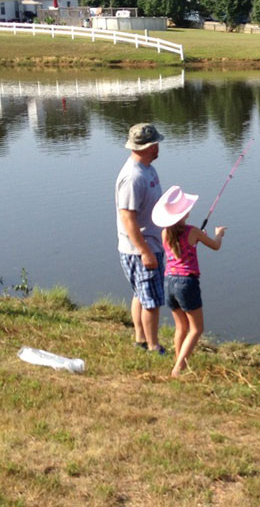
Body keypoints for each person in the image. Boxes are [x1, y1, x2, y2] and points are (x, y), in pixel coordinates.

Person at [152, 185, 225, 377]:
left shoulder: (164, 233)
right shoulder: (194, 231)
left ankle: (178, 360)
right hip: (187, 283)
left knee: (181, 326)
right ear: (185, 213)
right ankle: (178, 369)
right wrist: (219, 234)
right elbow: (216, 246)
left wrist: (196, 239)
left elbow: (181, 246)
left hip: (168, 282)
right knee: (196, 328)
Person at [115, 123, 167, 354]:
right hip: (140, 250)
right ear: (146, 147)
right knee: (152, 301)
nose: (158, 147)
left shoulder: (148, 169)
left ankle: (140, 340)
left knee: (140, 294)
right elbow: (128, 219)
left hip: (151, 244)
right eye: (155, 143)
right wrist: (145, 251)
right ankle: (153, 347)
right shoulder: (133, 177)